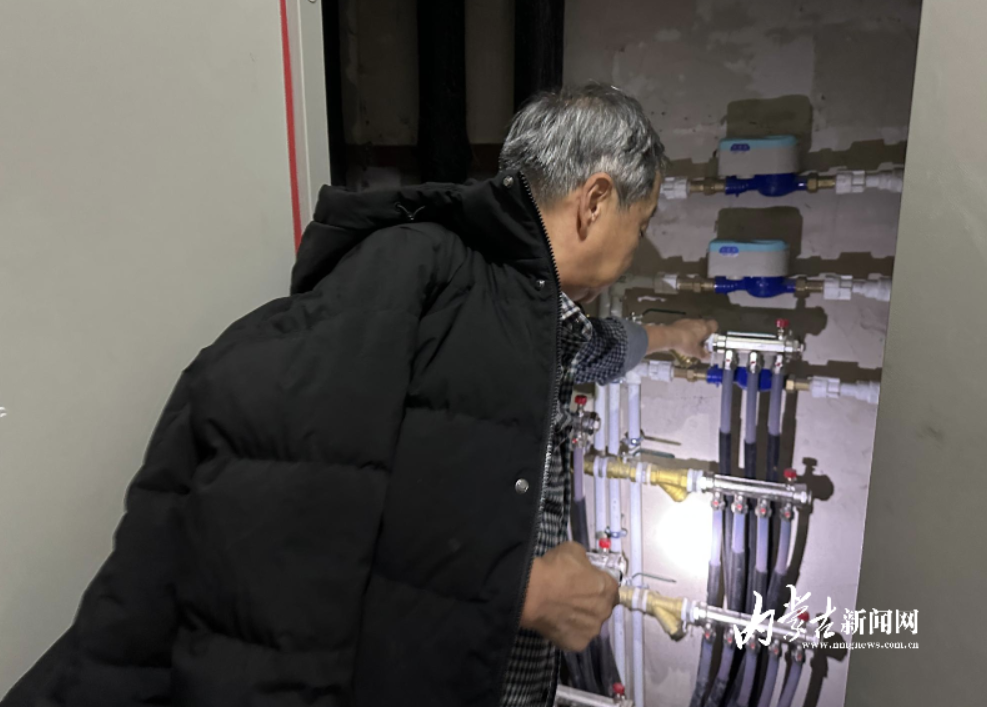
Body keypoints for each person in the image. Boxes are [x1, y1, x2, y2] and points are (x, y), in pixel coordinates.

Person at [3, 84, 715, 707]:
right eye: (643, 222)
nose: (639, 245)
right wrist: (516, 593)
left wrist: (671, 337)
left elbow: (589, 349)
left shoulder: (526, 316)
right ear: (594, 200)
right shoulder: (418, 270)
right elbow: (274, 518)